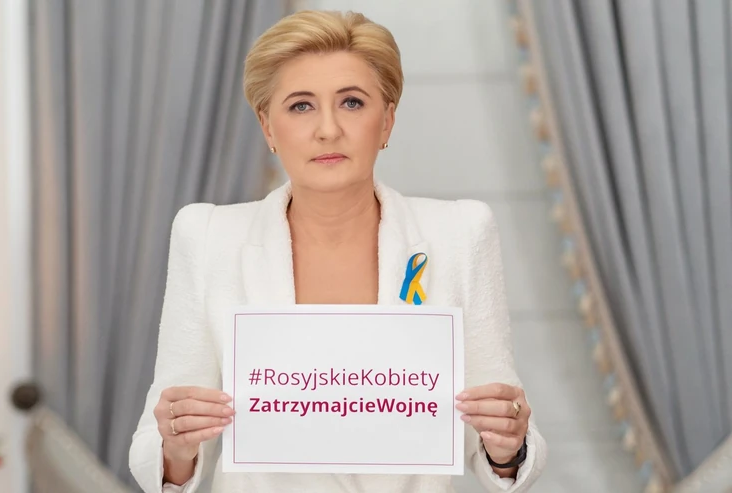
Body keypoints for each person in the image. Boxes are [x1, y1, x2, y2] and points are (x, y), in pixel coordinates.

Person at [129, 9, 546, 493]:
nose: (328, 129)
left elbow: (505, 433)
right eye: (301, 106)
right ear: (267, 127)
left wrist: (507, 446)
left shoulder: (460, 232)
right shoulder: (207, 236)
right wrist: (176, 447)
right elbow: (156, 448)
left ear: (386, 121)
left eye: (351, 102)